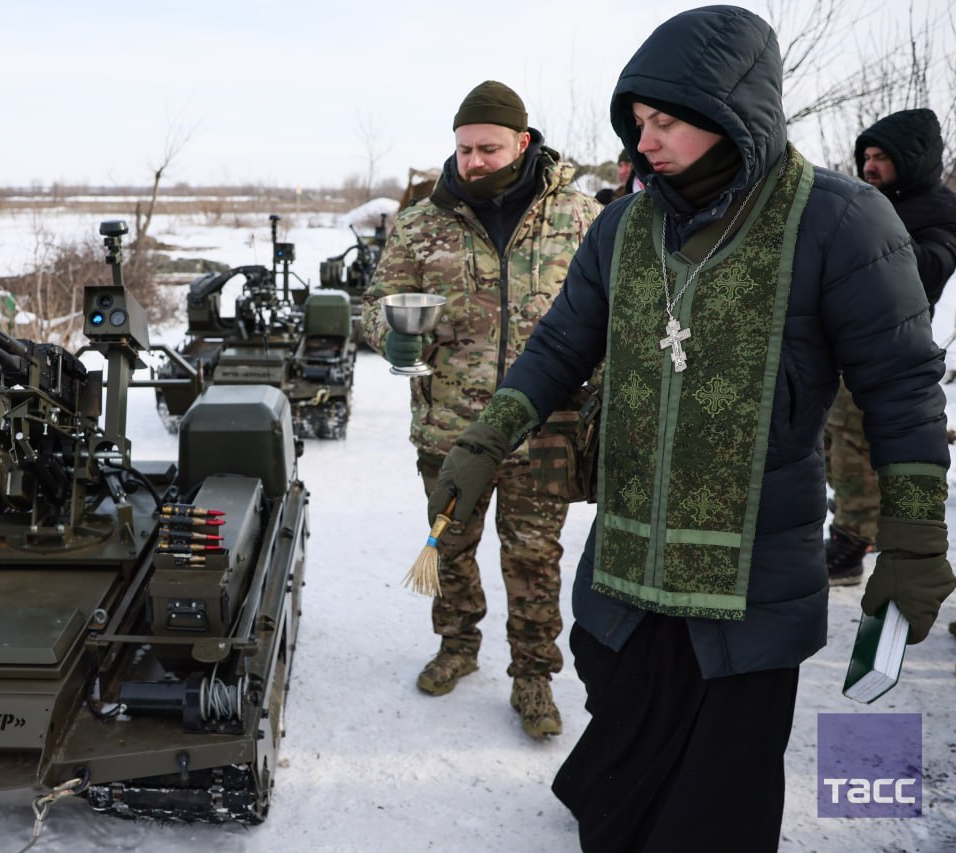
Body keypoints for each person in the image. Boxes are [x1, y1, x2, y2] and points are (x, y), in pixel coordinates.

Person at [426, 7, 954, 851]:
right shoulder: (624, 227)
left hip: (750, 570)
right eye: (638, 122)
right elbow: (559, 346)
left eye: (666, 121)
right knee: (624, 732)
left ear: (732, 109)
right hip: (629, 555)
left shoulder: (840, 222)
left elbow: (902, 388)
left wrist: (915, 537)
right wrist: (487, 439)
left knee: (718, 791)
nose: (646, 142)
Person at [363, 81, 600, 738]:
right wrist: (391, 333)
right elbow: (374, 306)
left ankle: (533, 675)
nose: (473, 161)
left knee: (534, 558)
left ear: (522, 143)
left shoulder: (579, 218)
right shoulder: (421, 223)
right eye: (464, 148)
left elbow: (609, 315)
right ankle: (458, 643)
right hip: (450, 427)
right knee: (450, 545)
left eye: (488, 148)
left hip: (543, 429)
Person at [824, 107, 956, 585]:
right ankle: (858, 519)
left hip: (889, 352)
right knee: (834, 440)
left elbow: (929, 269)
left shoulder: (937, 211)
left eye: (881, 157)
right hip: (843, 343)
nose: (870, 167)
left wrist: (867, 232)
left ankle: (851, 541)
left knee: (854, 443)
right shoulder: (872, 203)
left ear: (910, 160)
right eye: (866, 157)